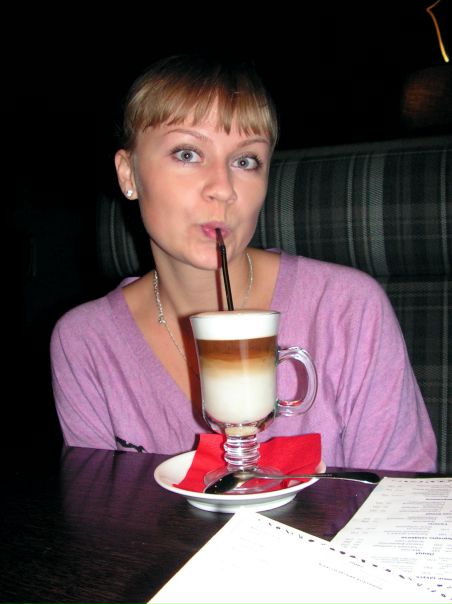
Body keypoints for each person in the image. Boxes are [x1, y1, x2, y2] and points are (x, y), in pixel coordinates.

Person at [50, 54, 437, 471]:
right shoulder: (85, 342)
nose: (223, 188)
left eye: (245, 161)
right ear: (129, 174)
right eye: (187, 154)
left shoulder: (347, 309)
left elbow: (401, 494)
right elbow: (98, 507)